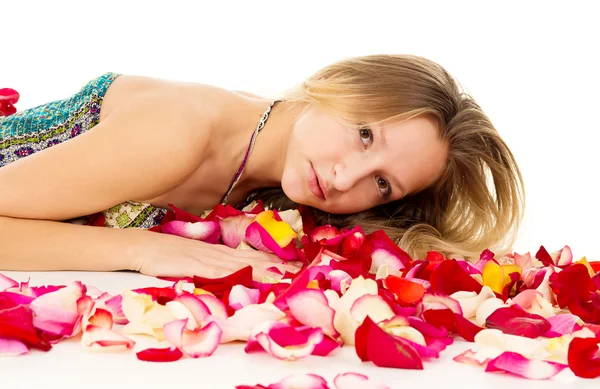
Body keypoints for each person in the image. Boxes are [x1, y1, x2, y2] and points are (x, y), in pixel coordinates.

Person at [0, 54, 525, 279]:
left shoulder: (267, 190)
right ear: (337, 85)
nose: (345, 178)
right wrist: (144, 250)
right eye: (365, 135)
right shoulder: (180, 132)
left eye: (383, 184)